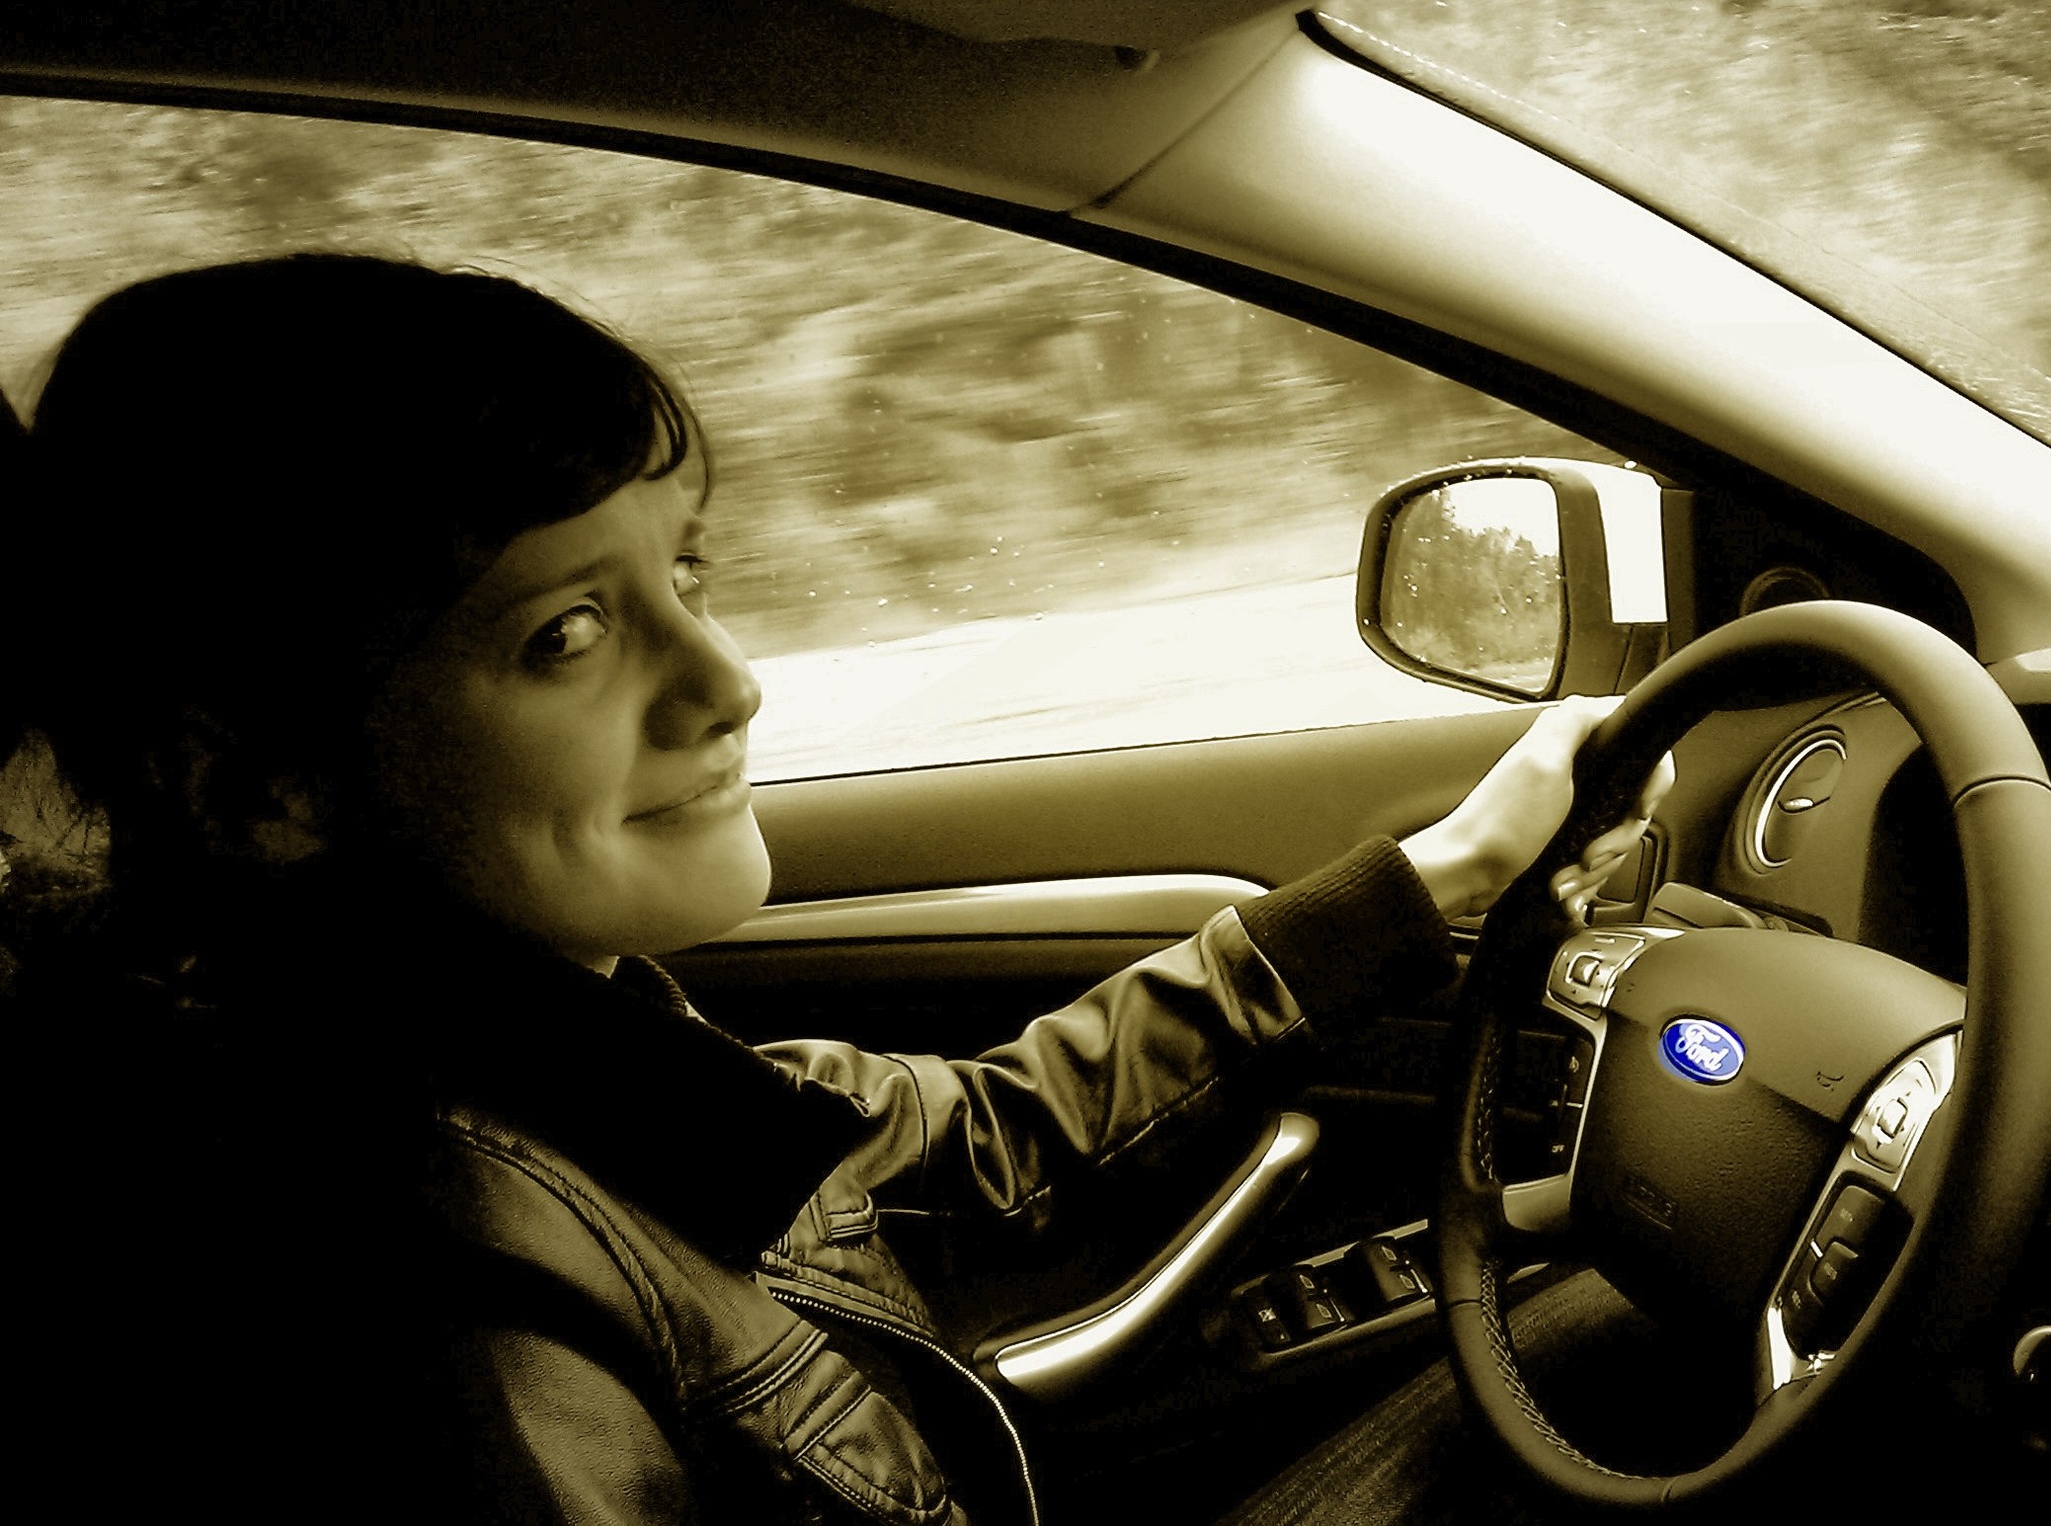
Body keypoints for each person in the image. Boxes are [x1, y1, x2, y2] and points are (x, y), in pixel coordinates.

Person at [6, 253, 1672, 1523]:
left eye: (687, 569)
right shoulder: (439, 1325)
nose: (724, 680)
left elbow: (983, 1139)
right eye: (567, 633)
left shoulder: (562, 1057)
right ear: (265, 786)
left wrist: (1447, 871)